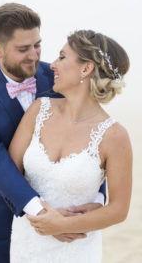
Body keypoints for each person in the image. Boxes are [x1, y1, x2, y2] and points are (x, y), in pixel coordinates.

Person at [0, 4, 105, 263]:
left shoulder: (60, 75)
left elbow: (89, 132)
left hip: (64, 208)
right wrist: (40, 213)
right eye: (23, 49)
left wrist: (97, 197)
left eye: (37, 45)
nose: (34, 56)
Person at [9, 30, 132, 262]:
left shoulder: (115, 136)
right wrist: (39, 214)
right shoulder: (38, 110)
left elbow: (118, 209)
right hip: (27, 243)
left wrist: (64, 225)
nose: (52, 65)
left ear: (86, 69)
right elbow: (9, 172)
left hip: (75, 250)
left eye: (62, 57)